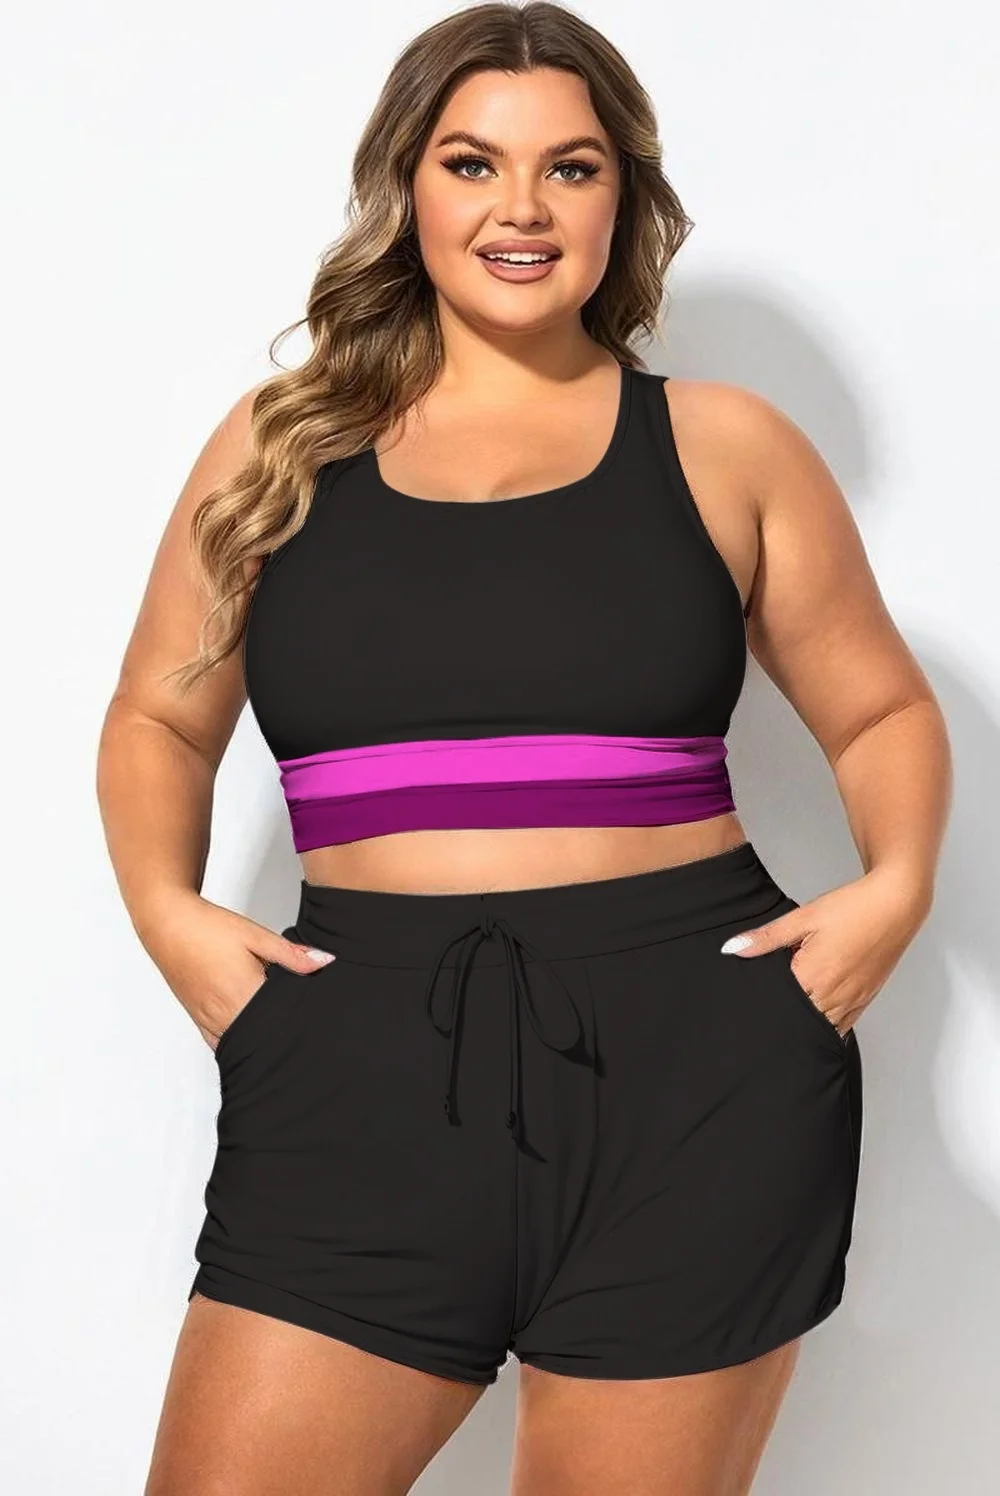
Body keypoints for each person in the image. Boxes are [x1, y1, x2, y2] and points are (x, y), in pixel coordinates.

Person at [96, 4, 951, 1492]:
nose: (522, 209)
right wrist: (171, 919)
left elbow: (882, 711)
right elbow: (159, 718)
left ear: (624, 199)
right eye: (472, 162)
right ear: (407, 185)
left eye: (571, 167)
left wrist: (894, 892)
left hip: (698, 1075)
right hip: (359, 1069)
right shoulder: (280, 449)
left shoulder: (726, 445)